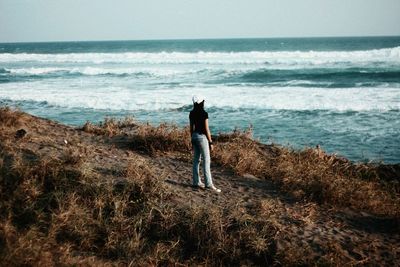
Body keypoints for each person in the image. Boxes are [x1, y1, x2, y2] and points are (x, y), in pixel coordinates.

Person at [189, 95, 221, 193]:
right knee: (206, 160)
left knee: (196, 160)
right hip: (202, 138)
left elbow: (191, 128)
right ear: (201, 102)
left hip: (194, 136)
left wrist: (192, 139)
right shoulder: (204, 113)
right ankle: (209, 184)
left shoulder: (191, 113)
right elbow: (207, 129)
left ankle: (196, 182)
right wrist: (210, 142)